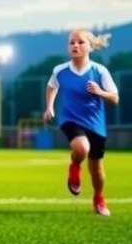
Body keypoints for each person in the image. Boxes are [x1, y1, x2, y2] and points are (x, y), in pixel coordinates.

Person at [43, 29, 119, 217]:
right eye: (71, 42)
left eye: (80, 42)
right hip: (70, 119)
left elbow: (115, 98)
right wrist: (50, 107)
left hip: (95, 124)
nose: (75, 45)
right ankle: (75, 167)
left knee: (97, 170)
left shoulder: (99, 71)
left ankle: (99, 199)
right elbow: (52, 86)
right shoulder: (60, 70)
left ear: (90, 46)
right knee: (81, 148)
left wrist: (100, 92)